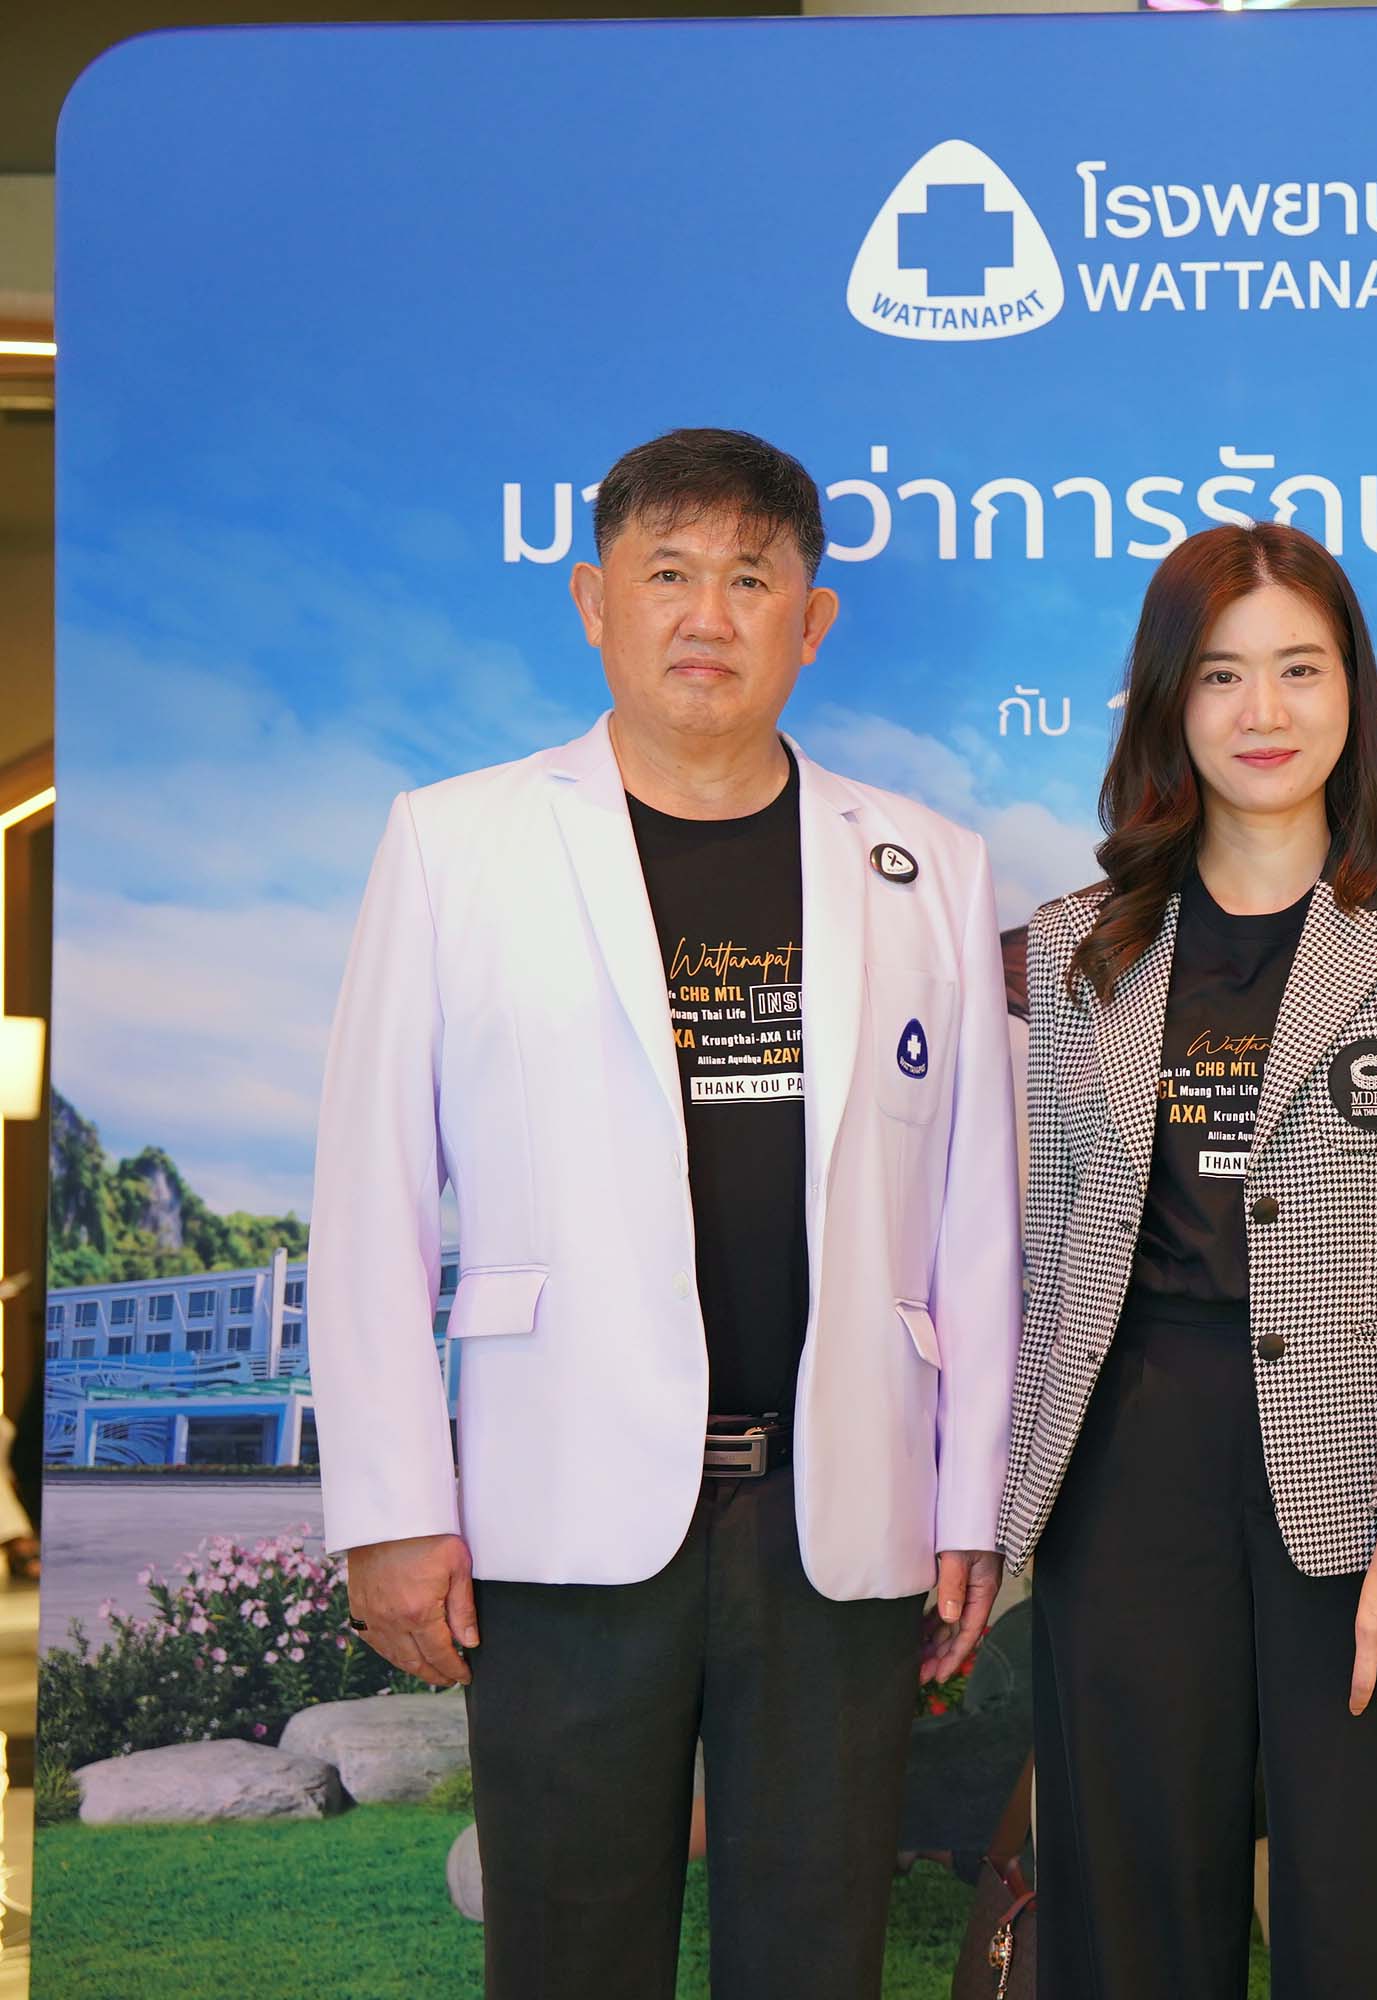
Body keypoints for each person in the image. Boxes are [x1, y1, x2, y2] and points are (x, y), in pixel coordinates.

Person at [310, 427, 1017, 2000]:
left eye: (751, 580)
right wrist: (392, 1506)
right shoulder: (456, 843)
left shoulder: (927, 865)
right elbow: (367, 1196)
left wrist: (969, 1501)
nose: (708, 616)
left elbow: (977, 1216)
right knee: (568, 1949)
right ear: (593, 601)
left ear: (811, 621)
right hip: (556, 1506)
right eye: (670, 574)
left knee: (816, 1952)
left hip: (835, 1507)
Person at [1001, 522, 1377, 1998]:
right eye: (1222, 675)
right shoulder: (1084, 940)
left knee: (1371, 1918)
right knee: (1131, 1912)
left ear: (1355, 691)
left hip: (1367, 1472)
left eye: (1301, 669)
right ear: (1168, 700)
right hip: (1129, 1460)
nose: (1264, 711)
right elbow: (1057, 1244)